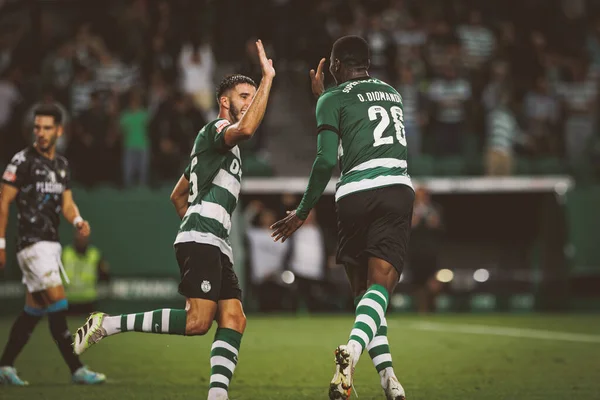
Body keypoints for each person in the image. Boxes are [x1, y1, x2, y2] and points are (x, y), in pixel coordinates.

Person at [73, 40, 275, 400]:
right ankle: (108, 324)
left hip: (212, 241)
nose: (250, 100)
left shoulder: (216, 146)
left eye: (253, 95)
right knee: (198, 322)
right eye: (245, 95)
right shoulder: (217, 129)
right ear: (225, 102)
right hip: (205, 239)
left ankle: (217, 395)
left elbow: (177, 195)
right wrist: (268, 78)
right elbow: (245, 129)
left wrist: (195, 223)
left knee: (234, 318)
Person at [270, 35, 412, 400]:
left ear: (333, 65)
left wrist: (302, 211)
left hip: (354, 195)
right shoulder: (393, 93)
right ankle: (367, 362)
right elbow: (362, 117)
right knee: (378, 293)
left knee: (362, 293)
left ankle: (383, 376)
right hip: (395, 188)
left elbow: (325, 160)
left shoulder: (332, 98)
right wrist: (326, 98)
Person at [0, 104, 106, 385]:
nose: (41, 133)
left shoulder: (61, 165)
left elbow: (67, 203)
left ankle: (5, 365)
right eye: (37, 127)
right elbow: (4, 201)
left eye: (47, 128)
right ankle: (77, 369)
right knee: (59, 302)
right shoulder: (22, 161)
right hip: (31, 245)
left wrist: (78, 220)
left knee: (33, 310)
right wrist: (0, 242)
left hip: (51, 244)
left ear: (59, 130)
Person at [62, 228, 110, 315]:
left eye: (83, 236)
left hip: (89, 302)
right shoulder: (65, 253)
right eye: (79, 235)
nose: (81, 239)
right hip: (68, 302)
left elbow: (105, 276)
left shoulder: (95, 254)